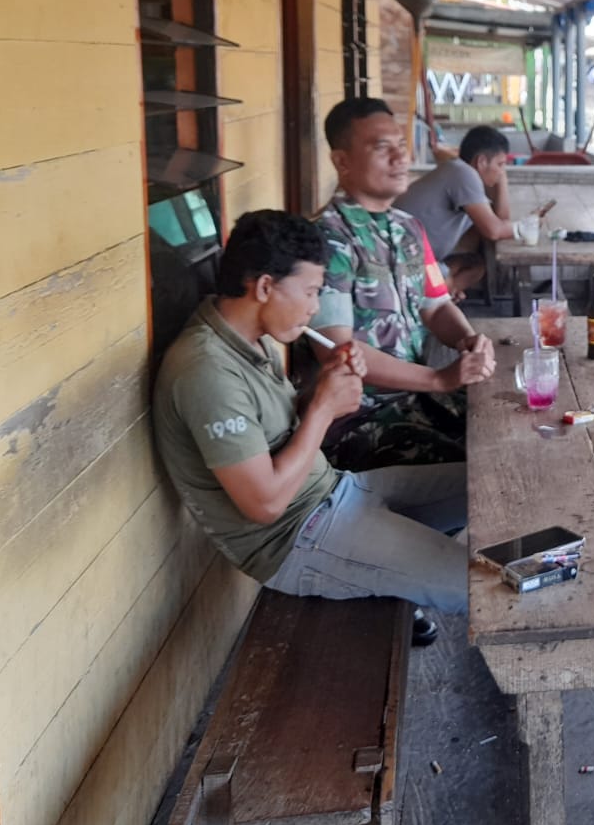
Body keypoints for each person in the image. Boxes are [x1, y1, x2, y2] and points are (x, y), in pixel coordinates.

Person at [151, 209, 467, 620]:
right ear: (265, 286)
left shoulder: (247, 337)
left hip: (336, 490)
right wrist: (322, 409)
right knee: (476, 584)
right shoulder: (206, 371)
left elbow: (275, 428)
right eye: (311, 292)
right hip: (299, 538)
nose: (315, 309)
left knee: (483, 488)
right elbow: (265, 505)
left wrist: (325, 385)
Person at [309, 97, 497, 474]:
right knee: (484, 471)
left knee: (512, 429)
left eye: (401, 144)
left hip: (419, 399)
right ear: (342, 161)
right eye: (382, 148)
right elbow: (337, 350)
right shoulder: (326, 239)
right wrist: (438, 378)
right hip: (362, 418)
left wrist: (468, 341)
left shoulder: (408, 228)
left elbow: (437, 307)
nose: (400, 158)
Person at [396, 124, 522, 297]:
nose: (501, 172)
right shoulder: (463, 174)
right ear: (481, 162)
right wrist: (527, 227)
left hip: (424, 258)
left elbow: (501, 220)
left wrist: (502, 179)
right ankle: (439, 296)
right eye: (500, 164)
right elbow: (494, 231)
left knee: (475, 266)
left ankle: (443, 295)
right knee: (445, 281)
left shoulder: (464, 175)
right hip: (406, 261)